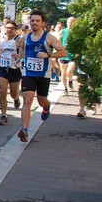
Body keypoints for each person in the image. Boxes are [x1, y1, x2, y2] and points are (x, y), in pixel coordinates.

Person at [16, 10, 66, 142]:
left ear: (43, 23)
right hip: (28, 73)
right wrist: (20, 58)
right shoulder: (26, 36)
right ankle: (24, 130)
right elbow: (22, 48)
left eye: (37, 21)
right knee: (27, 99)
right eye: (32, 20)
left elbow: (63, 52)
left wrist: (48, 55)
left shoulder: (48, 37)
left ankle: (46, 107)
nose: (34, 23)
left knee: (41, 100)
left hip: (43, 74)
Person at [0, 20, 23, 126]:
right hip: (3, 68)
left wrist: (19, 57)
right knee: (2, 91)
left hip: (14, 69)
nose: (9, 30)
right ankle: (3, 115)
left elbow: (26, 52)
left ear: (16, 30)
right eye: (7, 28)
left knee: (13, 93)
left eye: (12, 28)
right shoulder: (2, 40)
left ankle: (16, 98)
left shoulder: (18, 40)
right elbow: (0, 51)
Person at [60, 16, 77, 94]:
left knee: (69, 70)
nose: (70, 24)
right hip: (63, 55)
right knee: (63, 73)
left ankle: (70, 81)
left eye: (72, 22)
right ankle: (65, 88)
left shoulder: (77, 32)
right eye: (68, 22)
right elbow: (57, 41)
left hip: (73, 55)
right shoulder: (63, 31)